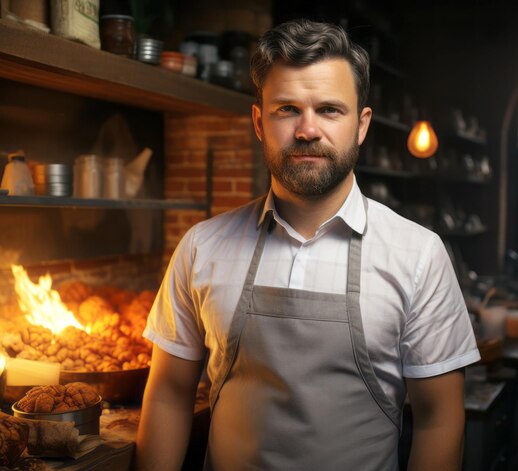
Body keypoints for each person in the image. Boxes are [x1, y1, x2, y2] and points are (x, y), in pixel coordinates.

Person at [136, 19, 480, 471]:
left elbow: (439, 420)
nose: (307, 130)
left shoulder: (418, 255)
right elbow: (169, 395)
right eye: (287, 110)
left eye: (330, 110)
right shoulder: (203, 246)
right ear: (259, 122)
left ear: (361, 125)